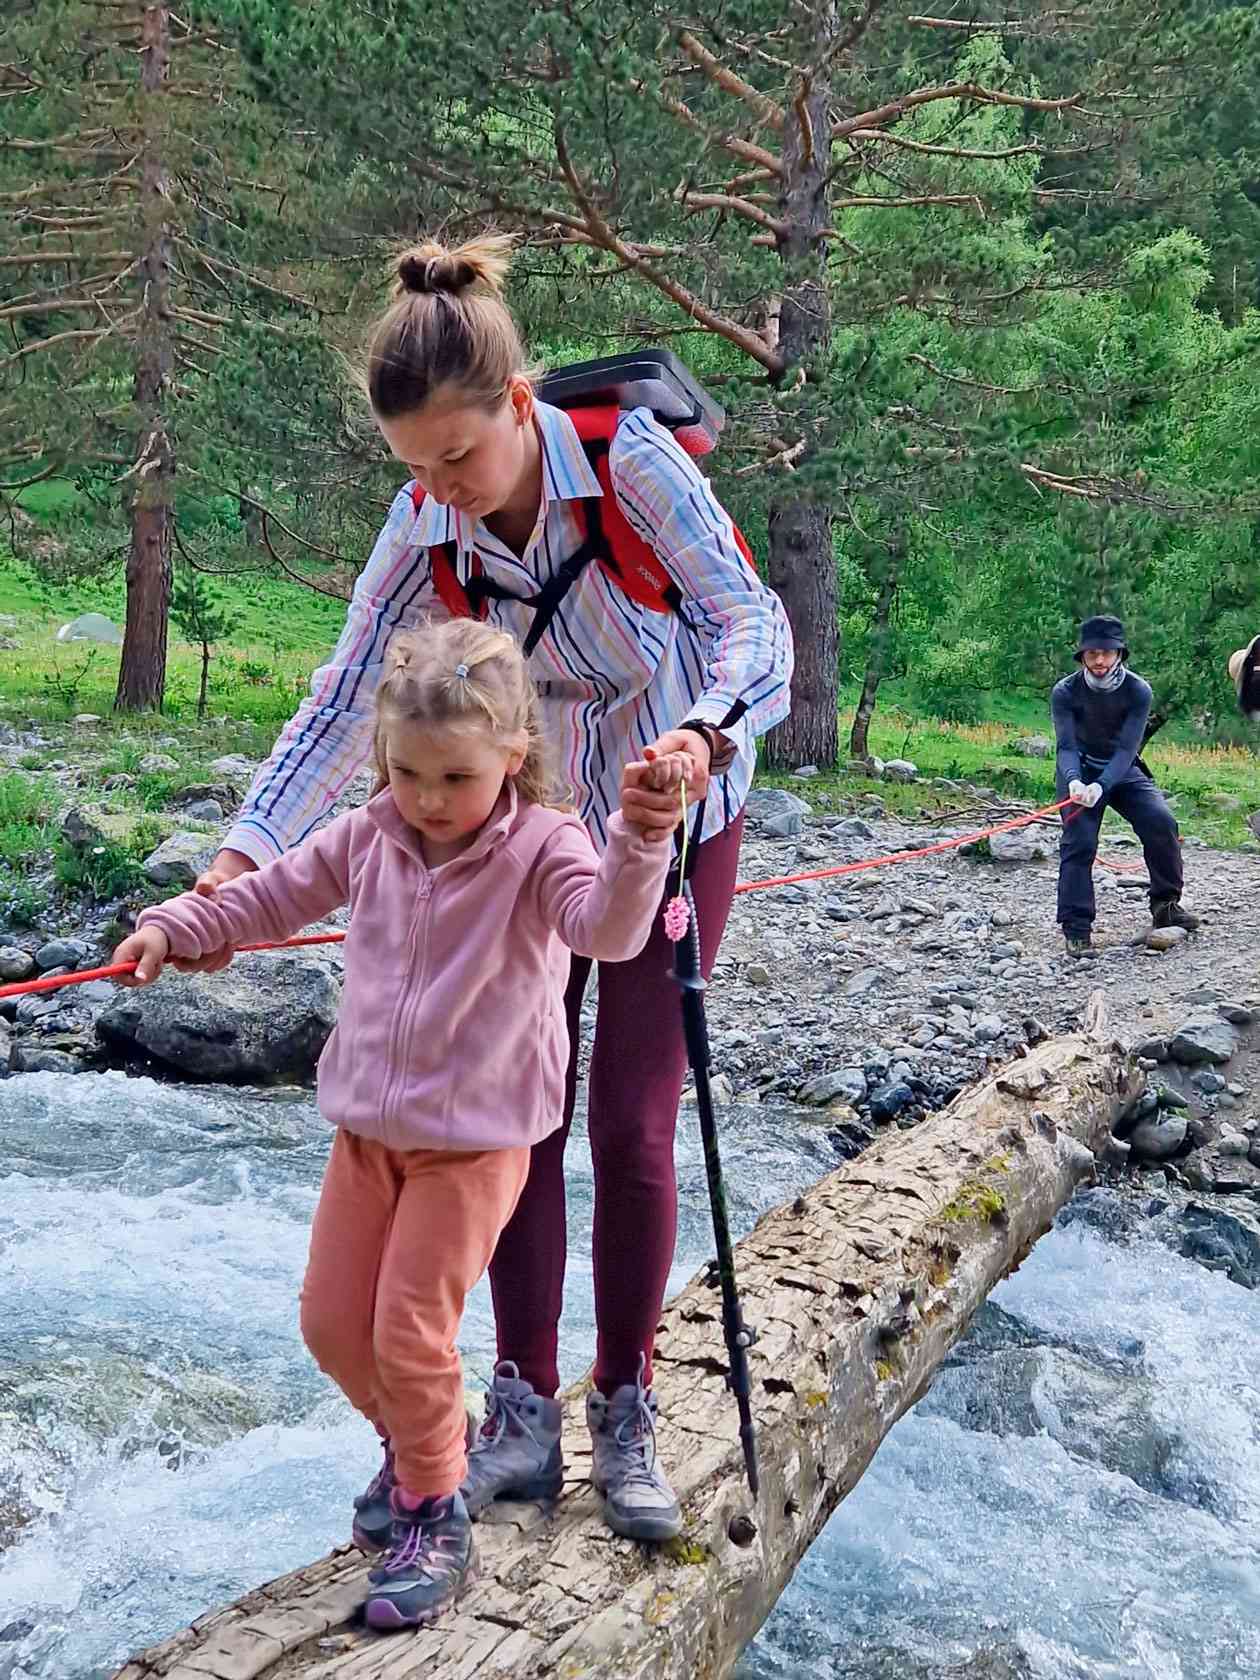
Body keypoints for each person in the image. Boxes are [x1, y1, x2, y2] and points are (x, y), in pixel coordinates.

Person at [183, 232, 793, 1542]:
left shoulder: (629, 468)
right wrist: (241, 857)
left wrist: (703, 736)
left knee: (629, 1121)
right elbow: (348, 693)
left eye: (459, 457)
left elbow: (756, 622)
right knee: (508, 1121)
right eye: (416, 469)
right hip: (514, 833)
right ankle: (518, 1406)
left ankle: (623, 1403)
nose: (443, 493)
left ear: (518, 408)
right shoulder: (426, 517)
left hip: (662, 815)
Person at [112, 620, 683, 1627]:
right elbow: (276, 895)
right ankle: (430, 1452)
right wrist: (174, 926)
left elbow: (609, 929)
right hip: (370, 1127)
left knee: (409, 1331)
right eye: (408, 773)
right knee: (333, 1328)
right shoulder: (374, 830)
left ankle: (433, 1514)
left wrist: (641, 840)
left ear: (513, 755)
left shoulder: (547, 845)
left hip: (475, 1141)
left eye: (454, 779)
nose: (428, 801)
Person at [1052, 614, 1199, 958]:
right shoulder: (1065, 691)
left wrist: (1102, 786)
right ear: (1082, 656)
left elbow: (1126, 749)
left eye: (1106, 652)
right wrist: (1075, 781)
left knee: (1161, 821)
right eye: (1091, 654)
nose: (1099, 661)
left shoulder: (1138, 690)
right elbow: (1067, 747)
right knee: (1079, 843)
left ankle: (1166, 905)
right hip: (1079, 769)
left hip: (1122, 769)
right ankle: (1076, 929)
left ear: (1119, 654)